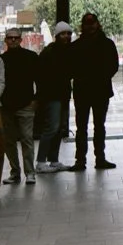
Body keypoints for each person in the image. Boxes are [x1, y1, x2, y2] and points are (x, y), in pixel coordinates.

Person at [68, 13, 119, 171]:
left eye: (91, 23)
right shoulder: (107, 44)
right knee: (96, 126)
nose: (90, 26)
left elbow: (71, 68)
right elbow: (113, 66)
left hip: (86, 90)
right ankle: (97, 159)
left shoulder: (76, 46)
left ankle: (82, 161)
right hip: (99, 89)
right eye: (88, 23)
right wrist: (102, 77)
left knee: (85, 127)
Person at [0, 28, 39, 185]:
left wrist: (36, 99)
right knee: (9, 141)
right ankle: (15, 172)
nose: (13, 40)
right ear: (6, 40)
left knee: (27, 139)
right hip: (6, 105)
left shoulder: (31, 57)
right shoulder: (0, 60)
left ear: (21, 40)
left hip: (26, 104)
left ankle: (30, 172)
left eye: (16, 38)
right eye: (10, 38)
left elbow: (39, 79)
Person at [34, 21, 73, 174]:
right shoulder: (49, 52)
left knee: (58, 128)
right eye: (63, 33)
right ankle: (41, 161)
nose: (67, 36)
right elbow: (40, 75)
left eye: (69, 33)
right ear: (57, 35)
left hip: (63, 94)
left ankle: (54, 160)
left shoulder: (67, 51)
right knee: (52, 127)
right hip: (52, 96)